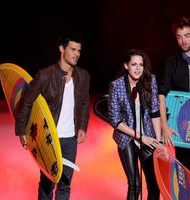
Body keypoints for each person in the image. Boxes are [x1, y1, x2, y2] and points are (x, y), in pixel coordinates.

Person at [15, 32, 90, 200]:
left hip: (70, 139)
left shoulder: (83, 76)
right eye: (72, 49)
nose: (77, 54)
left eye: (79, 50)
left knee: (65, 184)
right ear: (61, 49)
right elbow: (26, 101)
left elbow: (84, 103)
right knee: (47, 183)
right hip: (48, 137)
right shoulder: (45, 75)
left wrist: (82, 127)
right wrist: (22, 131)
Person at [108, 49, 163, 200]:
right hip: (127, 138)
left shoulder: (149, 81)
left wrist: (158, 140)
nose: (138, 68)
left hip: (148, 138)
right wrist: (140, 137)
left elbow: (154, 111)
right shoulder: (116, 86)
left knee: (154, 184)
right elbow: (115, 120)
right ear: (126, 66)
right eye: (134, 64)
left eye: (141, 64)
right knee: (135, 184)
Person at [159, 16, 190, 170]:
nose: (183, 41)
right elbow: (161, 94)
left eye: (187, 36)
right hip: (183, 126)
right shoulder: (171, 62)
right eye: (179, 37)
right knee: (184, 171)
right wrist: (164, 125)